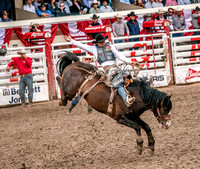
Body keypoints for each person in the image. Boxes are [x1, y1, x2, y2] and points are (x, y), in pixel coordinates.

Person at [65, 34, 136, 107]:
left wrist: (129, 61)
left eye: (103, 41)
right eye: (100, 42)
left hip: (116, 68)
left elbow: (119, 55)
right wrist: (71, 40)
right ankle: (126, 100)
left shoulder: (110, 46)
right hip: (109, 70)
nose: (102, 43)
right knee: (118, 82)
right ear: (97, 43)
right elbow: (82, 46)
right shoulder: (94, 48)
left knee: (128, 77)